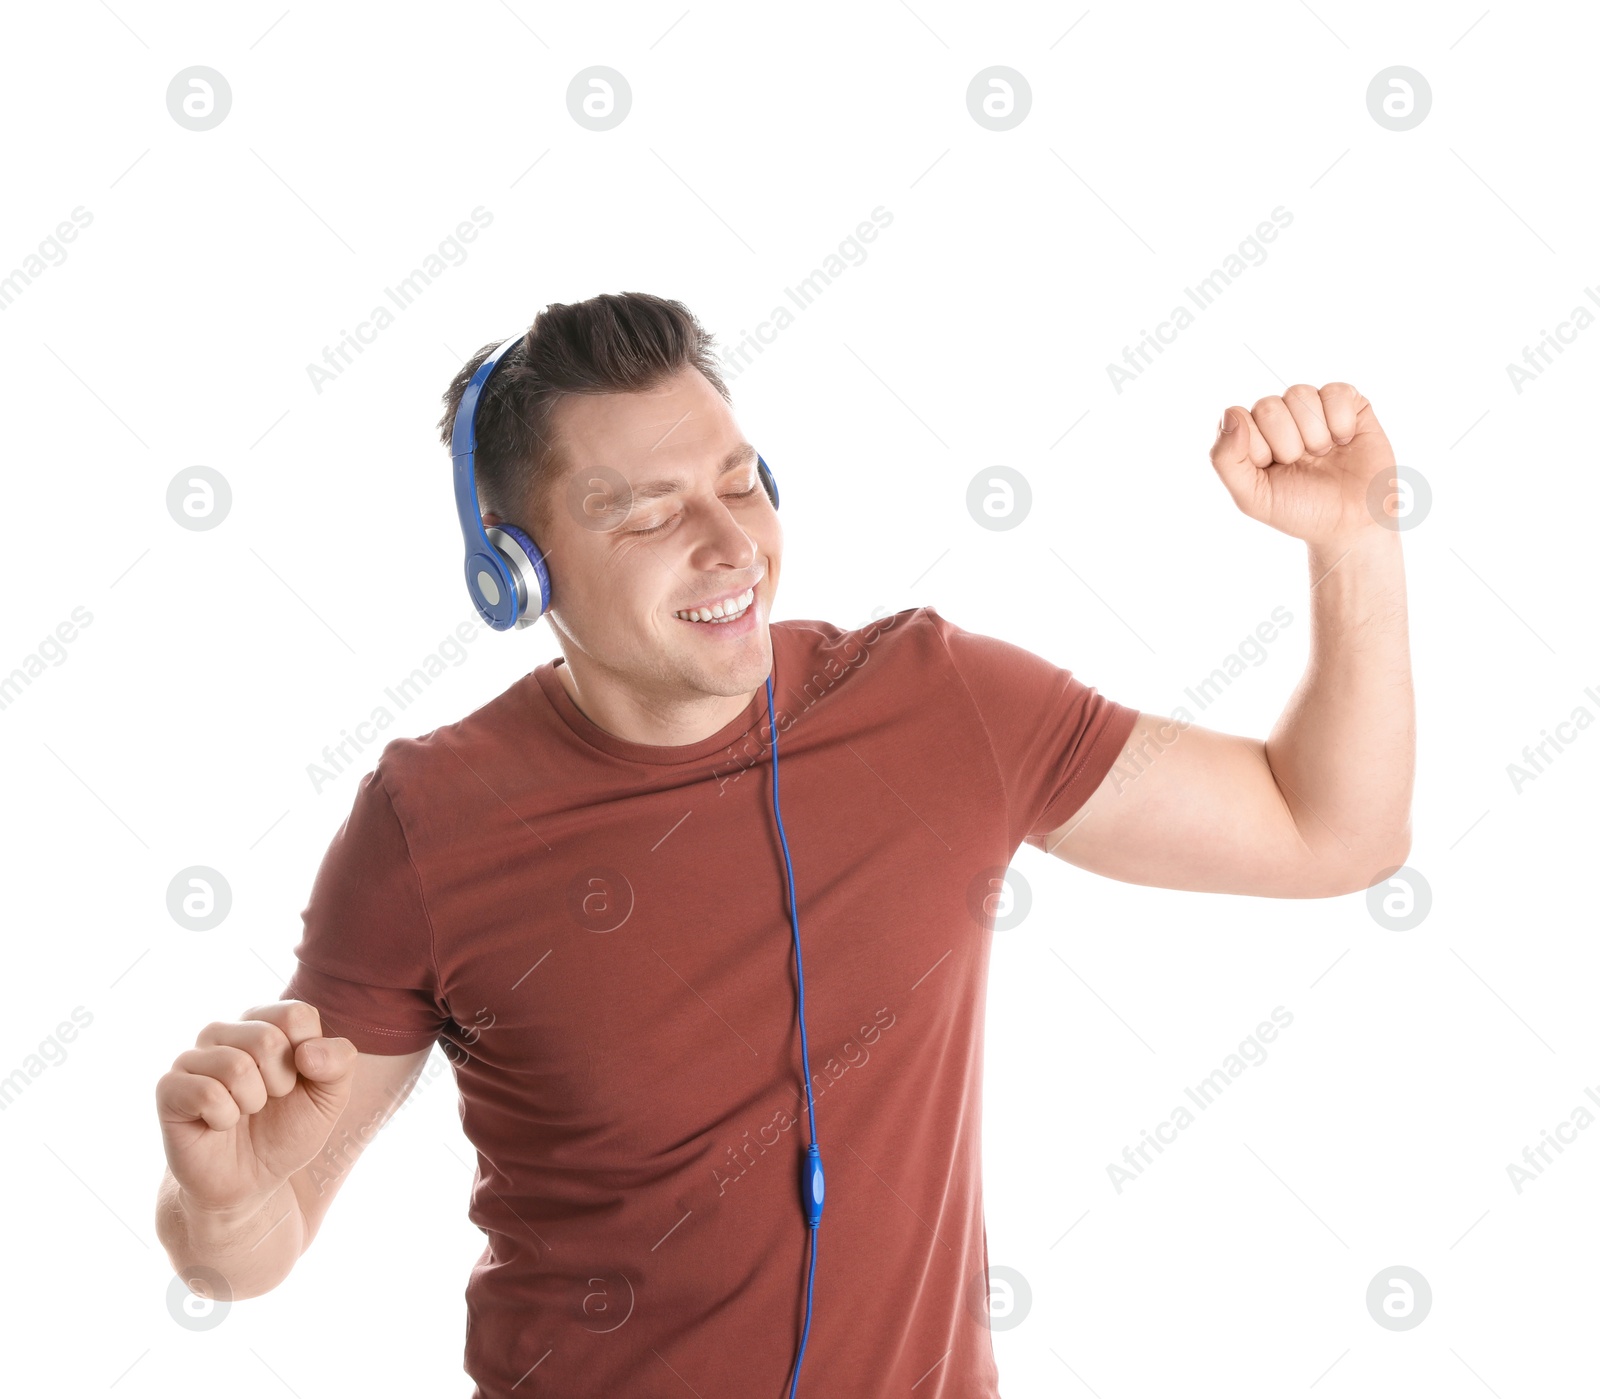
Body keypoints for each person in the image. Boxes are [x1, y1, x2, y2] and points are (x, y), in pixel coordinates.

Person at [153, 292, 1414, 1398]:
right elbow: (239, 1255)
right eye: (648, 515)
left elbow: (1330, 831)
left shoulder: (939, 702)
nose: (729, 545)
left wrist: (1355, 543)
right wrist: (225, 1198)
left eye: (742, 481)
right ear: (516, 575)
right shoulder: (429, 820)